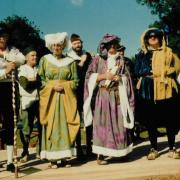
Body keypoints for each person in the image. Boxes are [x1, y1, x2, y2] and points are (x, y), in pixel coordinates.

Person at [83, 33, 135, 165]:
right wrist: (103, 76)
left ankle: (122, 152)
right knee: (102, 125)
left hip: (117, 96)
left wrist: (120, 79)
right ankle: (101, 155)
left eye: (114, 45)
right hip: (103, 97)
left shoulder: (121, 60)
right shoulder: (97, 60)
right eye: (109, 45)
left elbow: (127, 78)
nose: (112, 48)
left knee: (119, 124)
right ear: (104, 46)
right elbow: (88, 77)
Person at [134, 28, 180, 160]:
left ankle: (172, 148)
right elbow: (137, 71)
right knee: (151, 120)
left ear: (160, 38)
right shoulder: (142, 55)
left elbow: (177, 68)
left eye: (155, 36)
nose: (152, 38)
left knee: (170, 119)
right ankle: (153, 148)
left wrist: (165, 73)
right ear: (146, 39)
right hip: (148, 88)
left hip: (166, 87)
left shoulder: (169, 52)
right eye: (150, 36)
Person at [38, 32, 80, 168]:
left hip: (65, 98)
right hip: (50, 99)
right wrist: (51, 86)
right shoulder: (45, 60)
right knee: (52, 125)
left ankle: (66, 158)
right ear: (51, 46)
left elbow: (76, 81)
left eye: (59, 45)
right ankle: (53, 159)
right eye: (54, 45)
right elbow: (41, 79)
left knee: (66, 124)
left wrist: (65, 86)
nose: (57, 47)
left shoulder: (70, 61)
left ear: (63, 46)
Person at [0, 28, 25, 172]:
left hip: (10, 88)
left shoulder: (12, 50)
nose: (2, 40)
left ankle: (10, 161)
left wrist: (8, 59)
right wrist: (5, 71)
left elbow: (21, 58)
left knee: (10, 123)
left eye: (4, 37)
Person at [68, 33, 93, 160]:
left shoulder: (88, 55)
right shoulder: (68, 57)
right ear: (71, 45)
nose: (78, 45)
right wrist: (82, 62)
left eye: (79, 43)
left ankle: (90, 147)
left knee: (89, 118)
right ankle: (78, 149)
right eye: (75, 43)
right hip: (75, 92)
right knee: (76, 120)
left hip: (88, 90)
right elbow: (70, 74)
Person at [18, 47, 42, 163]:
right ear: (27, 57)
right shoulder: (22, 69)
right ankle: (25, 151)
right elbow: (25, 84)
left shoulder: (39, 69)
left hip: (40, 101)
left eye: (36, 55)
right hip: (27, 102)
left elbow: (42, 83)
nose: (35, 57)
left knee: (42, 126)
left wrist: (34, 81)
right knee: (26, 129)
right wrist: (36, 82)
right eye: (32, 55)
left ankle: (40, 150)